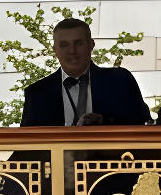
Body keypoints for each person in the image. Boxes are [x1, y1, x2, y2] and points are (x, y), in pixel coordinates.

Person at [18, 17, 150, 127]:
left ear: (91, 45)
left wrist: (104, 121)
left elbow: (141, 123)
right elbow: (27, 142)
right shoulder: (37, 92)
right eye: (64, 45)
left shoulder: (120, 81)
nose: (72, 51)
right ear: (55, 50)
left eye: (78, 43)